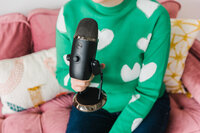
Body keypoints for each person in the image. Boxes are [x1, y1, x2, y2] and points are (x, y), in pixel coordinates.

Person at [55, 0, 171, 132]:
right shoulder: (69, 12)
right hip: (93, 102)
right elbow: (62, 72)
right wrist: (76, 82)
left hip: (145, 103)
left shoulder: (155, 14)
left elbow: (148, 91)